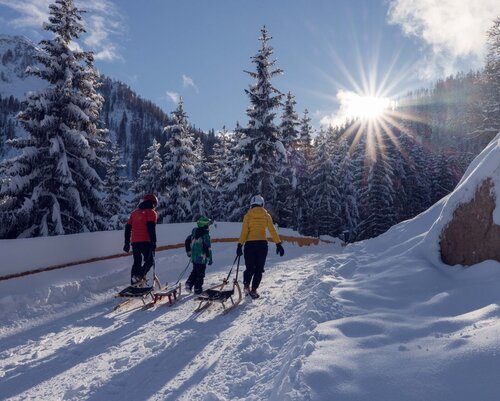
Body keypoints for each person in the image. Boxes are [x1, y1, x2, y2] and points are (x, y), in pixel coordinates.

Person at [237, 195, 284, 299]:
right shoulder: (266, 215)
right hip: (262, 245)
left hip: (249, 245)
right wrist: (278, 244)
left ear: (251, 205)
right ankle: (253, 290)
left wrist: (240, 245)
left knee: (249, 268)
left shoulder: (247, 216)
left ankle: (246, 285)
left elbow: (244, 232)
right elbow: (272, 230)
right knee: (259, 269)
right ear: (262, 204)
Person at [123, 193, 158, 285]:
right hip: (146, 241)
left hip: (135, 242)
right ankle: (139, 276)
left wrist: (126, 243)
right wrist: (154, 242)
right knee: (150, 261)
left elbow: (127, 228)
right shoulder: (151, 212)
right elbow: (151, 228)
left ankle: (134, 283)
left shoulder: (134, 213)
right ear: (153, 203)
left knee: (137, 262)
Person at [184, 216, 213, 294]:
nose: (209, 227)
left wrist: (189, 253)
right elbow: (208, 248)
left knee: (195, 271)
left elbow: (187, 241)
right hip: (202, 258)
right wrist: (210, 258)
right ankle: (198, 289)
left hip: (194, 257)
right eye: (208, 225)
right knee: (200, 274)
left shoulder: (194, 233)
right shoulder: (206, 236)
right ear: (205, 226)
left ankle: (189, 284)